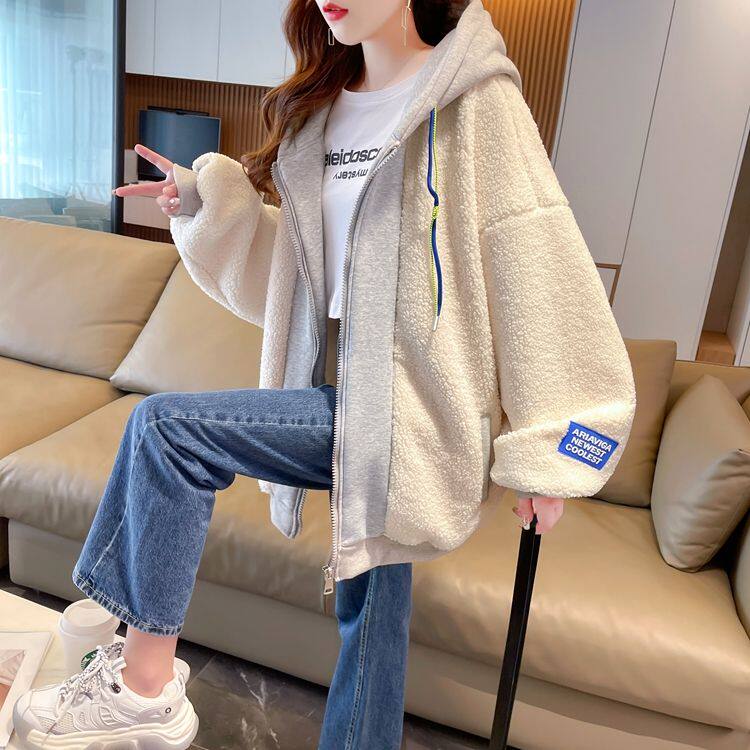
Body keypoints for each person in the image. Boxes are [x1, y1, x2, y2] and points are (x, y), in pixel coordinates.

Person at [13, 0, 637, 748]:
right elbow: (300, 273)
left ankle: (145, 686)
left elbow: (535, 256)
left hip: (412, 413)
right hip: (339, 389)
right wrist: (206, 205)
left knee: (167, 430)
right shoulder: (325, 110)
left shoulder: (475, 98)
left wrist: (556, 444)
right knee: (373, 614)